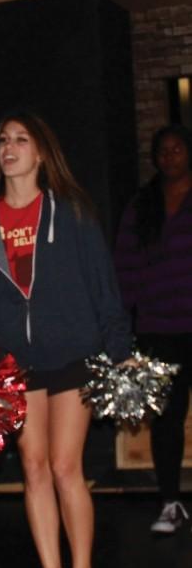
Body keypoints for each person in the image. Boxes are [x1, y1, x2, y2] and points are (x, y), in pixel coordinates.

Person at [0, 111, 132, 568]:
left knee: (65, 466)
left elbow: (104, 287)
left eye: (21, 139)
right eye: (2, 139)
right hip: (17, 363)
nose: (9, 146)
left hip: (73, 353)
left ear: (41, 154)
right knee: (32, 466)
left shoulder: (71, 212)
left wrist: (121, 351)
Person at [115, 124, 192, 535]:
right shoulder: (142, 205)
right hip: (159, 329)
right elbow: (125, 267)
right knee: (167, 419)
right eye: (163, 151)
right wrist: (124, 324)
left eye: (177, 149)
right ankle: (170, 502)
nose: (170, 156)